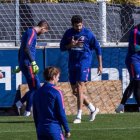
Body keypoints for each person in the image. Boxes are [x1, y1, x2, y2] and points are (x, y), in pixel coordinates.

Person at [60, 15, 102, 123]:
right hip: (72, 63)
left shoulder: (88, 34)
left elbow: (97, 48)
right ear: (72, 25)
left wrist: (100, 65)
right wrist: (71, 45)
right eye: (76, 26)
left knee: (79, 87)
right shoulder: (68, 33)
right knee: (75, 91)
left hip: (84, 63)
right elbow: (62, 47)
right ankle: (93, 109)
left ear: (82, 23)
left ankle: (79, 115)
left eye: (80, 25)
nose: (79, 28)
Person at [14, 20, 49, 116]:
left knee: (35, 88)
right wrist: (32, 62)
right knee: (35, 88)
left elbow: (21, 48)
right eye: (44, 32)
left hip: (25, 63)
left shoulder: (29, 32)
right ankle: (27, 111)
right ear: (43, 28)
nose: (43, 34)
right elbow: (26, 48)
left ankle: (19, 104)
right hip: (28, 63)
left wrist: (20, 63)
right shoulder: (32, 32)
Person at [33, 66, 71, 140]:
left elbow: (35, 113)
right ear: (53, 77)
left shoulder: (37, 92)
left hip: (40, 129)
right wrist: (67, 129)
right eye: (58, 77)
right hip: (53, 129)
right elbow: (61, 113)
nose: (58, 79)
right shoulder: (56, 92)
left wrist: (38, 128)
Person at [116, 24, 140, 113]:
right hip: (134, 60)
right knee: (137, 83)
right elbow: (135, 47)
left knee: (134, 83)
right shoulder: (135, 31)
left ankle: (121, 106)